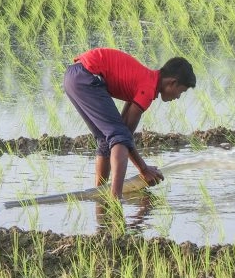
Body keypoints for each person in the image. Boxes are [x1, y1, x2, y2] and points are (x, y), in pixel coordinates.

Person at [63, 47, 196, 198]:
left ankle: (100, 194)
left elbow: (124, 134)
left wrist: (140, 164)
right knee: (118, 136)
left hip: (73, 76)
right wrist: (144, 169)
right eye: (181, 91)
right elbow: (123, 138)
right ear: (172, 83)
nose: (178, 97)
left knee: (107, 139)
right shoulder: (147, 88)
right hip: (86, 76)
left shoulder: (144, 80)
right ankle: (115, 198)